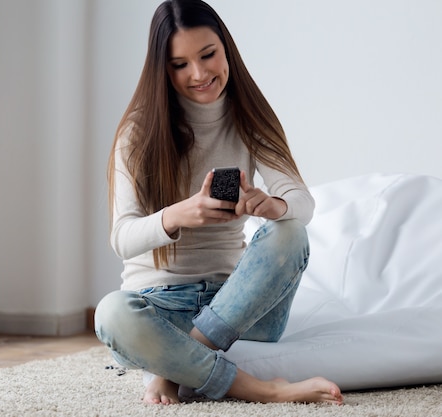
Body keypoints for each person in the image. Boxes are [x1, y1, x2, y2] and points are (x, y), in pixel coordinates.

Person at [94, 0, 344, 406]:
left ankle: (174, 366)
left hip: (238, 307)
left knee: (290, 232)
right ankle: (262, 390)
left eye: (208, 55)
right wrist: (181, 214)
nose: (200, 74)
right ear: (163, 69)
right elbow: (122, 238)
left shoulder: (249, 118)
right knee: (110, 314)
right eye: (180, 65)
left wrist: (270, 205)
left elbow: (302, 202)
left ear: (226, 48)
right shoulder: (137, 131)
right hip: (161, 306)